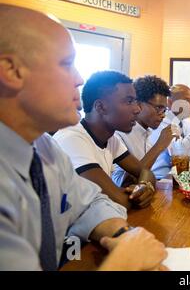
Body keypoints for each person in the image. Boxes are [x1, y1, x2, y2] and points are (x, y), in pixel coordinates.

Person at [0, 4, 166, 270]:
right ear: (11, 70)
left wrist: (122, 236)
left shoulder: (43, 147)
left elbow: (89, 203)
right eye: (66, 64)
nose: (78, 79)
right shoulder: (66, 140)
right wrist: (124, 263)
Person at [54, 71, 157, 210]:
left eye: (136, 101)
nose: (137, 109)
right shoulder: (72, 139)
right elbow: (118, 200)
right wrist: (139, 194)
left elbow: (145, 171)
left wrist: (144, 186)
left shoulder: (111, 139)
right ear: (101, 107)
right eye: (129, 101)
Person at [112, 75, 174, 186]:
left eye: (164, 109)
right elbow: (124, 184)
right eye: (158, 108)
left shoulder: (146, 134)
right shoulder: (120, 134)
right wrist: (160, 145)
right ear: (139, 103)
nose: (163, 115)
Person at [150, 84, 190, 179]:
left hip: (178, 176)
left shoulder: (184, 121)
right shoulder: (161, 122)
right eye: (187, 101)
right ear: (170, 103)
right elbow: (182, 155)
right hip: (161, 179)